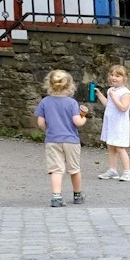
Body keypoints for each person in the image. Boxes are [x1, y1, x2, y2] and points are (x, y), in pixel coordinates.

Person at [36, 70, 89, 206]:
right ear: (70, 86)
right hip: (71, 140)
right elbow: (77, 122)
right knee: (74, 169)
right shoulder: (72, 103)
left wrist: (49, 130)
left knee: (56, 170)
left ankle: (56, 197)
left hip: (53, 140)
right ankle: (77, 195)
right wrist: (84, 118)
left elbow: (41, 123)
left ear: (49, 84)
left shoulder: (45, 102)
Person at [97, 64, 130, 181]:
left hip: (119, 125)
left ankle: (127, 172)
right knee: (111, 146)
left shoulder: (125, 93)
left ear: (124, 78)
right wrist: (99, 94)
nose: (114, 78)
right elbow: (109, 105)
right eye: (112, 75)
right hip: (111, 123)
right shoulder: (111, 90)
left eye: (118, 76)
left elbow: (123, 108)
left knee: (119, 147)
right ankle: (112, 170)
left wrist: (113, 97)